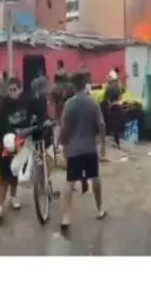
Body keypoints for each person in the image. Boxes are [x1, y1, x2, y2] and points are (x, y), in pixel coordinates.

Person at [59, 73, 107, 233]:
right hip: (89, 148)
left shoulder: (69, 105)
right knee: (95, 178)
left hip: (74, 149)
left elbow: (64, 128)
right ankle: (100, 209)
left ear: (73, 86)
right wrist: (103, 146)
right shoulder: (93, 103)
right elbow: (101, 124)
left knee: (70, 182)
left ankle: (66, 217)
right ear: (85, 85)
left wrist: (63, 146)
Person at [0, 76, 39, 219]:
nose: (13, 92)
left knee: (15, 173)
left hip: (22, 143)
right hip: (8, 143)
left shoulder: (26, 103)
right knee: (4, 175)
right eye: (10, 90)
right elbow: (1, 125)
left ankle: (13, 197)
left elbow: (34, 117)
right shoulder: (3, 106)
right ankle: (0, 205)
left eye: (15, 89)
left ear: (19, 89)